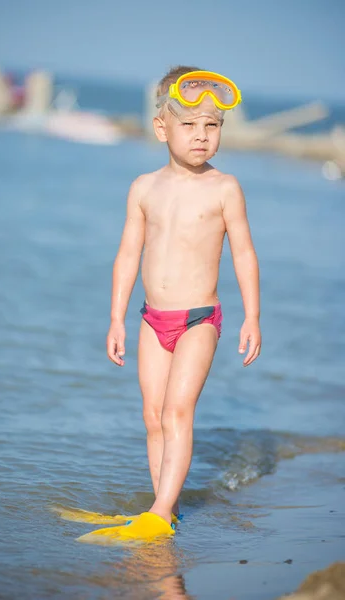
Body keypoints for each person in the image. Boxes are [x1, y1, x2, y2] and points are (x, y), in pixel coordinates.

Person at [84, 66, 261, 543]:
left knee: (177, 412)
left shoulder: (224, 188)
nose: (202, 135)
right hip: (150, 318)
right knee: (152, 415)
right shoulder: (143, 188)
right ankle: (169, 506)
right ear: (162, 127)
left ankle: (160, 510)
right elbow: (126, 255)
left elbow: (244, 252)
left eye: (213, 125)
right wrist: (117, 318)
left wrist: (253, 317)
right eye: (190, 124)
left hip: (199, 319)